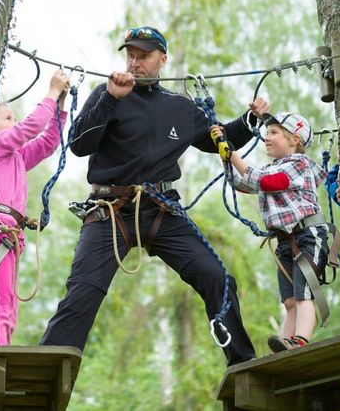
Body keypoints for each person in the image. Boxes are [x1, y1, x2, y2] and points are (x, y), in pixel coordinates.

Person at [40, 26, 268, 366]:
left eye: (143, 55)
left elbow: (218, 138)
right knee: (82, 293)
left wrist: (251, 119)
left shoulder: (180, 107)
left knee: (216, 278)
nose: (134, 62)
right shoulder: (107, 94)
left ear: (162, 59)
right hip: (110, 210)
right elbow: (79, 144)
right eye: (130, 54)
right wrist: (110, 99)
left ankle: (244, 367)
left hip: (161, 209)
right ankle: (43, 378)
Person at [211, 112, 331, 352]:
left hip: (308, 236)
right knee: (289, 301)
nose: (267, 137)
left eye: (274, 132)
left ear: (295, 139)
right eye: (267, 133)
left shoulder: (299, 165)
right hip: (285, 241)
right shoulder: (273, 167)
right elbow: (244, 182)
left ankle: (301, 340)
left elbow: (268, 182)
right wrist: (224, 153)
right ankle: (284, 345)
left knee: (303, 294)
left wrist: (234, 154)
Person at [0, 69, 70, 345]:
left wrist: (60, 108)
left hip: (5, 237)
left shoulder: (16, 157)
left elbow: (48, 143)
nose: (14, 123)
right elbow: (29, 129)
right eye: (8, 118)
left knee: (9, 312)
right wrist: (50, 92)